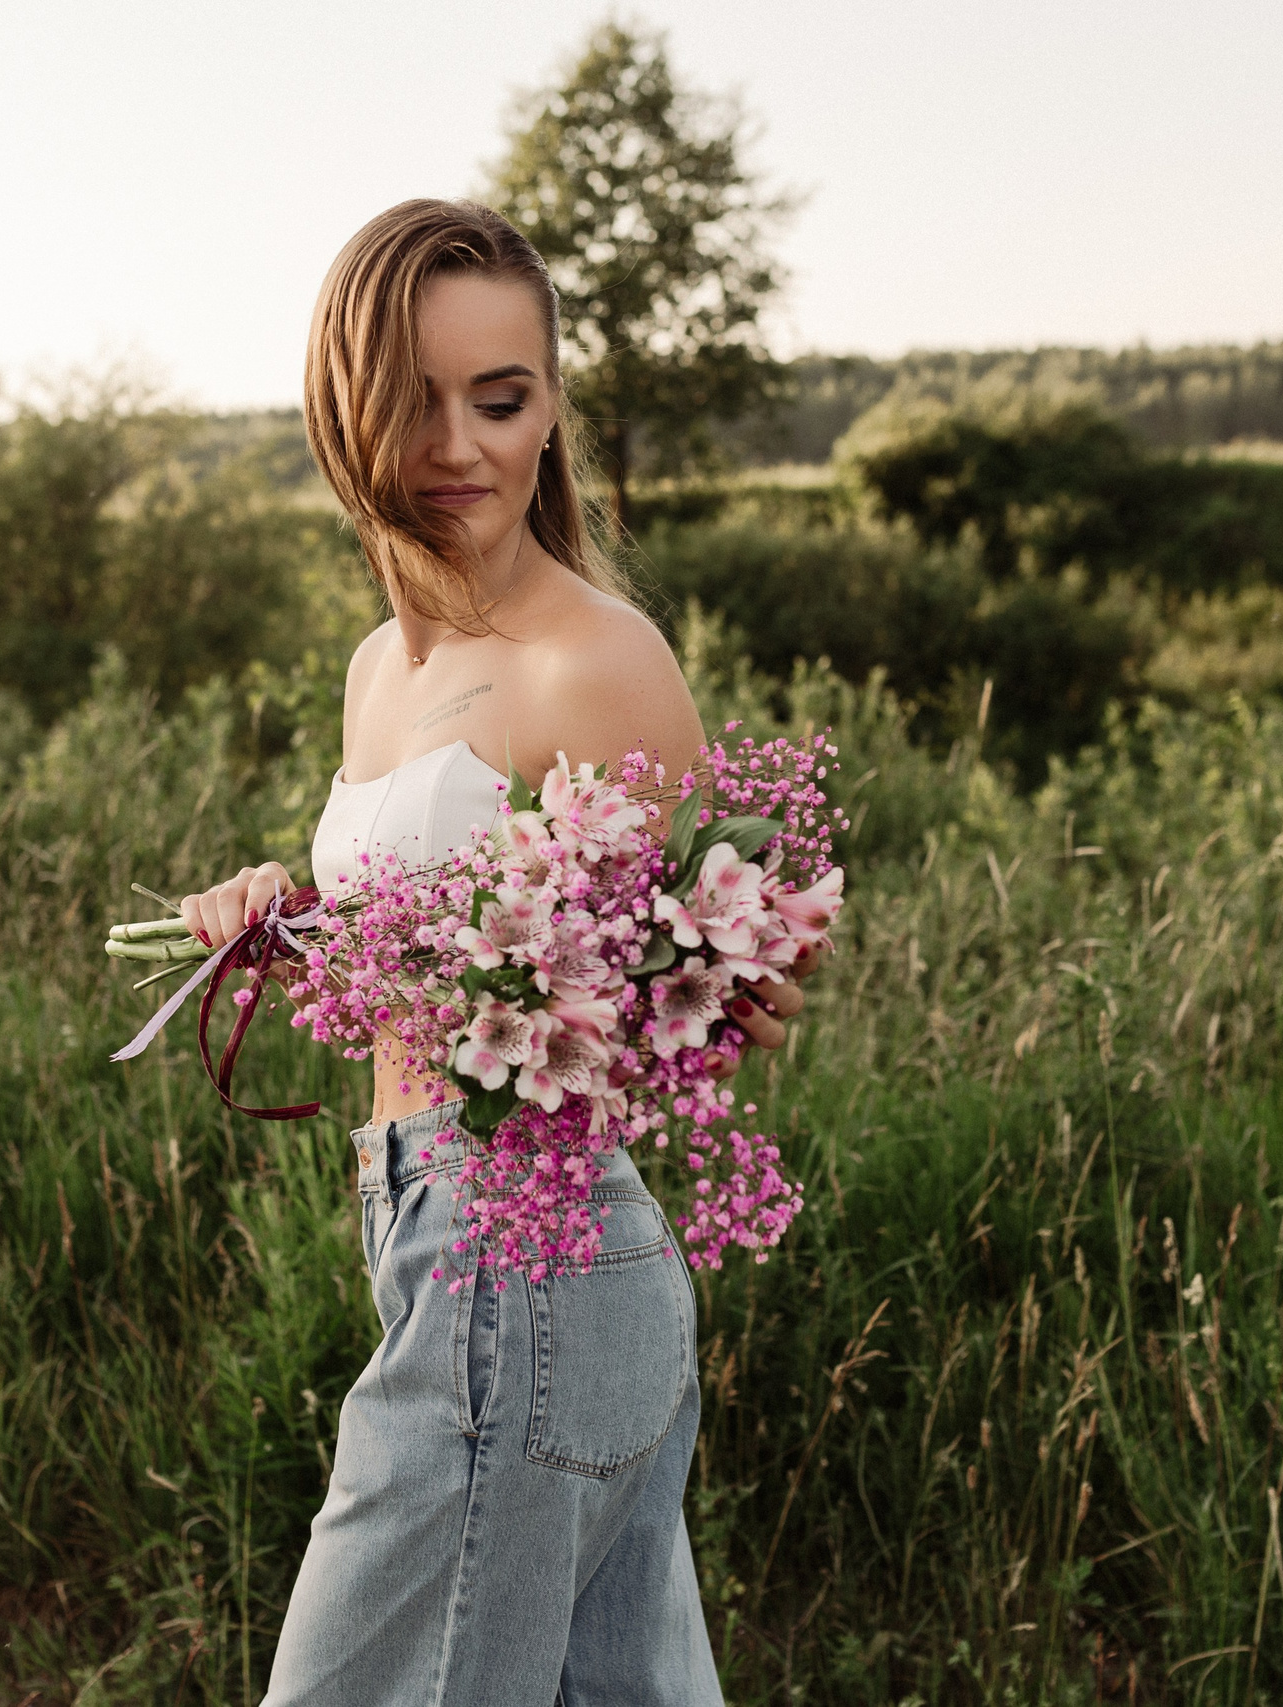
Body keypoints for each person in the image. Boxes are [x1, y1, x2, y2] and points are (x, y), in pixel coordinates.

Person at [178, 199, 816, 1707]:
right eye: (415, 400)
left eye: (501, 398)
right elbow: (440, 958)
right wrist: (295, 929)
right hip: (438, 1240)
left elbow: (675, 1001)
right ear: (345, 410)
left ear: (550, 413)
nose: (458, 444)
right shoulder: (381, 668)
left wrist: (725, 993)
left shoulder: (591, 660)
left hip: (527, 1263)